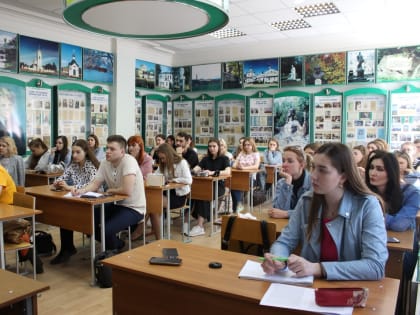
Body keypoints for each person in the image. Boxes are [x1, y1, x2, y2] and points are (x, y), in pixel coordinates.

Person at [262, 143, 388, 281]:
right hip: (308, 289)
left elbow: (375, 266)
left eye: (322, 170)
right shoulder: (307, 201)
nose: (313, 176)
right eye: (314, 168)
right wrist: (278, 259)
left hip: (349, 290)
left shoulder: (368, 205)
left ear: (343, 177)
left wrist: (318, 268)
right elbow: (284, 242)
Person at [73, 135, 146, 251]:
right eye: (106, 148)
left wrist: (111, 190)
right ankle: (117, 245)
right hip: (116, 205)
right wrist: (82, 190)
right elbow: (95, 184)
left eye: (112, 149)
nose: (107, 151)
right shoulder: (104, 163)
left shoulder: (129, 161)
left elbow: (127, 190)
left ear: (122, 151)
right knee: (87, 223)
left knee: (106, 230)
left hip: (134, 208)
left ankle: (112, 253)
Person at [50, 139, 100, 264]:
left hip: (94, 203)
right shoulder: (73, 165)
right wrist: (58, 183)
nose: (74, 155)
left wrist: (69, 187)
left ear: (86, 152)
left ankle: (68, 249)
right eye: (73, 152)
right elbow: (62, 178)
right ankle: (67, 248)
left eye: (78, 152)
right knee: (63, 215)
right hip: (78, 200)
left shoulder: (91, 166)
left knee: (67, 214)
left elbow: (90, 186)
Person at [365, 150, 420, 232]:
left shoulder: (412, 193)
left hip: (402, 242)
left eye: (380, 169)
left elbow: (399, 224)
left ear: (391, 172)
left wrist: (370, 215)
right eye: (371, 167)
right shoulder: (364, 191)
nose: (373, 173)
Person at [190, 138, 231, 236]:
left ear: (218, 147)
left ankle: (200, 226)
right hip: (205, 185)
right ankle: (200, 218)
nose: (212, 148)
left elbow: (228, 171)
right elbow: (197, 168)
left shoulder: (224, 158)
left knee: (204, 195)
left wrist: (212, 172)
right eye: (210, 146)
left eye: (214, 146)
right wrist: (193, 171)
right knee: (197, 193)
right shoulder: (205, 159)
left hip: (219, 186)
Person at [154, 143, 192, 239]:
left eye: (163, 158)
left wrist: (174, 180)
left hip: (178, 196)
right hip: (166, 192)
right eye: (160, 158)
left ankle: (156, 235)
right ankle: (158, 234)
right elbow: (155, 174)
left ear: (169, 154)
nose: (162, 161)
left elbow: (189, 180)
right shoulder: (163, 164)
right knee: (152, 203)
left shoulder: (182, 163)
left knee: (154, 203)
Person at [269, 145, 312, 219]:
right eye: (283, 161)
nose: (284, 164)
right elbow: (278, 211)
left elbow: (310, 213)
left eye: (290, 161)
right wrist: (288, 182)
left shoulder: (313, 182)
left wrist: (287, 214)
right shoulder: (282, 183)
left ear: (302, 165)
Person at [127, 135, 154, 240]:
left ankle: (139, 229)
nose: (130, 148)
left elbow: (144, 178)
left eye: (133, 145)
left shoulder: (147, 159)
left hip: (144, 190)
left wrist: (132, 161)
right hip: (131, 189)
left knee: (150, 204)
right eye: (129, 145)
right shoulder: (128, 158)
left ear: (140, 146)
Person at [231, 137, 260, 212]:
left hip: (250, 178)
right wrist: (238, 166)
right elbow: (234, 165)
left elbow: (256, 166)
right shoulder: (241, 153)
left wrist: (244, 168)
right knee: (233, 186)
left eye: (249, 145)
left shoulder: (256, 154)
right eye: (245, 145)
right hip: (239, 177)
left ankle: (237, 209)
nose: (246, 146)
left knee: (238, 187)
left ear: (252, 145)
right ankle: (237, 209)